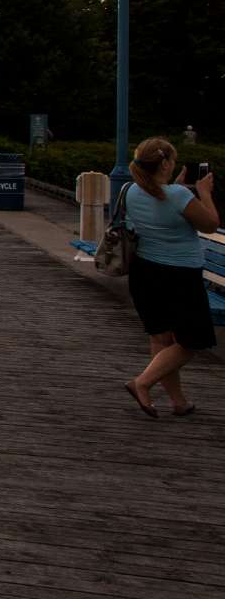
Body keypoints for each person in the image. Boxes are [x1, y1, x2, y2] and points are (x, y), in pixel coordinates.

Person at [121, 137, 220, 417]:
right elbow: (211, 224)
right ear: (164, 163)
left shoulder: (131, 190)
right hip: (179, 277)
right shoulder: (178, 195)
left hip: (144, 273)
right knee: (194, 342)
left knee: (161, 339)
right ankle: (142, 383)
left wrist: (177, 186)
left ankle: (178, 402)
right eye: (172, 160)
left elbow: (160, 203)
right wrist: (204, 192)